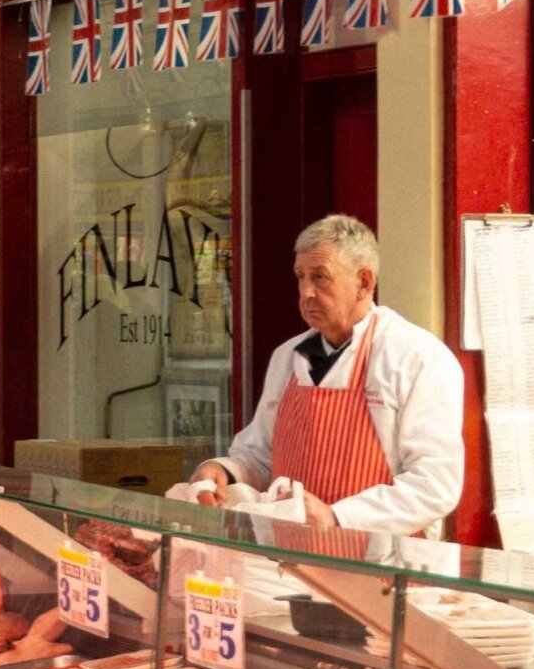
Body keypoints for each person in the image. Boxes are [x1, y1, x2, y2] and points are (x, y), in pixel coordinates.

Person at [190, 214, 465, 540]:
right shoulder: (287, 357)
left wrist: (337, 517)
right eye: (300, 277)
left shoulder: (416, 358)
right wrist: (224, 471)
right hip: (292, 561)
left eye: (321, 278)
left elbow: (434, 483)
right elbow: (261, 456)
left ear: (364, 282)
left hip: (383, 567)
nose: (306, 292)